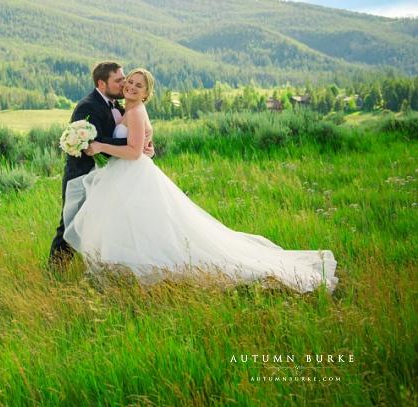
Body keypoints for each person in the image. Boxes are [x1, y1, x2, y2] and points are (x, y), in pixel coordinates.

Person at [62, 68, 338, 294]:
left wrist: (99, 146)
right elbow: (138, 142)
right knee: (131, 224)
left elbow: (134, 152)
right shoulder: (126, 109)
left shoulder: (134, 111)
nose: (131, 86)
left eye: (138, 85)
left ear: (147, 93)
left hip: (133, 174)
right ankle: (125, 272)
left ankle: (152, 270)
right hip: (124, 175)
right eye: (128, 82)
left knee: (150, 226)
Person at [48, 61, 154, 268]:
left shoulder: (121, 105)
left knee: (108, 223)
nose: (125, 84)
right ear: (102, 84)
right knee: (71, 223)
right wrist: (136, 144)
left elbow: (134, 130)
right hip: (82, 174)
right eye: (120, 80)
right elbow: (100, 141)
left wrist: (145, 144)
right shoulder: (89, 106)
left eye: (126, 80)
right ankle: (55, 272)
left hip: (109, 175)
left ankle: (113, 265)